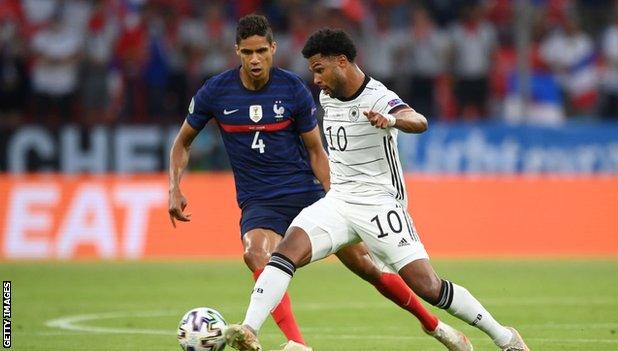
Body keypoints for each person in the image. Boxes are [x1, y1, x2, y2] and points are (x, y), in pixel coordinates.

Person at [169, 15, 472, 351]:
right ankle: (296, 343)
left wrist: (338, 196)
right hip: (259, 201)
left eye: (260, 51)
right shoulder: (216, 91)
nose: (254, 59)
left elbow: (316, 151)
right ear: (236, 52)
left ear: (273, 48)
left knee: (368, 268)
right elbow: (182, 142)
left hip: (306, 193)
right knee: (256, 253)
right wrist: (175, 188)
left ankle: (435, 326)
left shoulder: (293, 90)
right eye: (246, 52)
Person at [224, 28, 531, 351]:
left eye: (319, 70)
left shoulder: (378, 97)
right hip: (339, 201)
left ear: (341, 62)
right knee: (283, 253)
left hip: (380, 206)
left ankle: (505, 337)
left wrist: (393, 120)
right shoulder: (328, 96)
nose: (315, 80)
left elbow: (419, 120)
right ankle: (249, 329)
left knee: (428, 286)